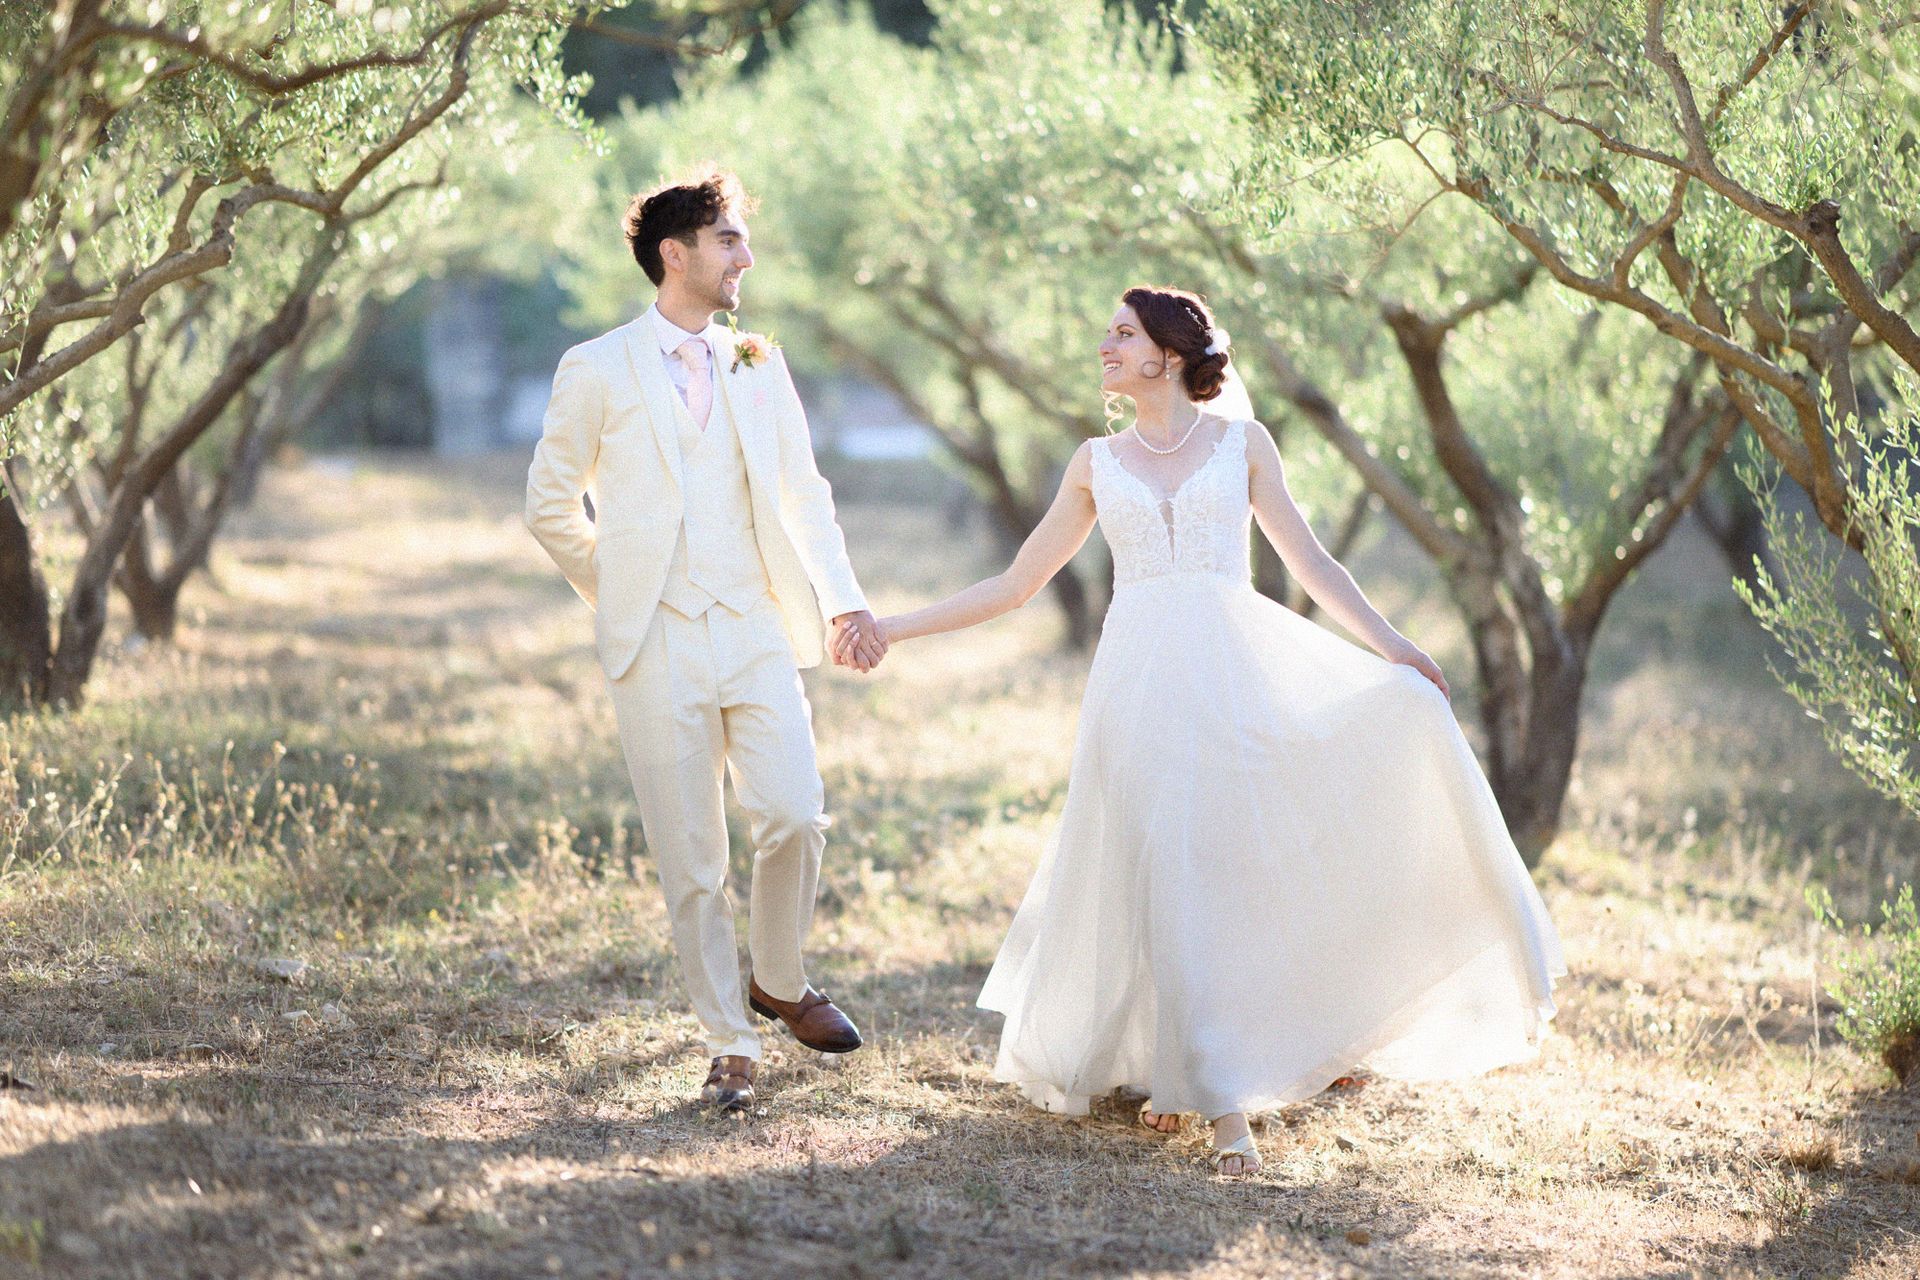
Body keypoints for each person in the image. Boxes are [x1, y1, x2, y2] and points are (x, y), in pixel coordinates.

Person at [860, 286, 1565, 1175]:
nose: (1105, 346)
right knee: (1163, 865)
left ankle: (1213, 1064)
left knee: (1221, 868)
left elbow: (1311, 560)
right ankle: (1220, 1102)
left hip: (1233, 671)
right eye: (1108, 332)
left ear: (1169, 354)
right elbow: (1013, 586)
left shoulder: (1243, 444)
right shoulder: (1094, 462)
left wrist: (1395, 648)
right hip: (1136, 686)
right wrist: (891, 627)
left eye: (1123, 334)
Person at [524, 167, 888, 1114]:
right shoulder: (596, 367)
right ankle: (731, 1042)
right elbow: (550, 505)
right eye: (729, 240)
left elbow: (805, 494)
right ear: (675, 254)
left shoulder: (758, 362)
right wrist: (624, 592)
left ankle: (778, 978)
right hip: (656, 641)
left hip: (756, 624)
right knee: (692, 859)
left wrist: (844, 601)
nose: (746, 258)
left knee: (795, 814)